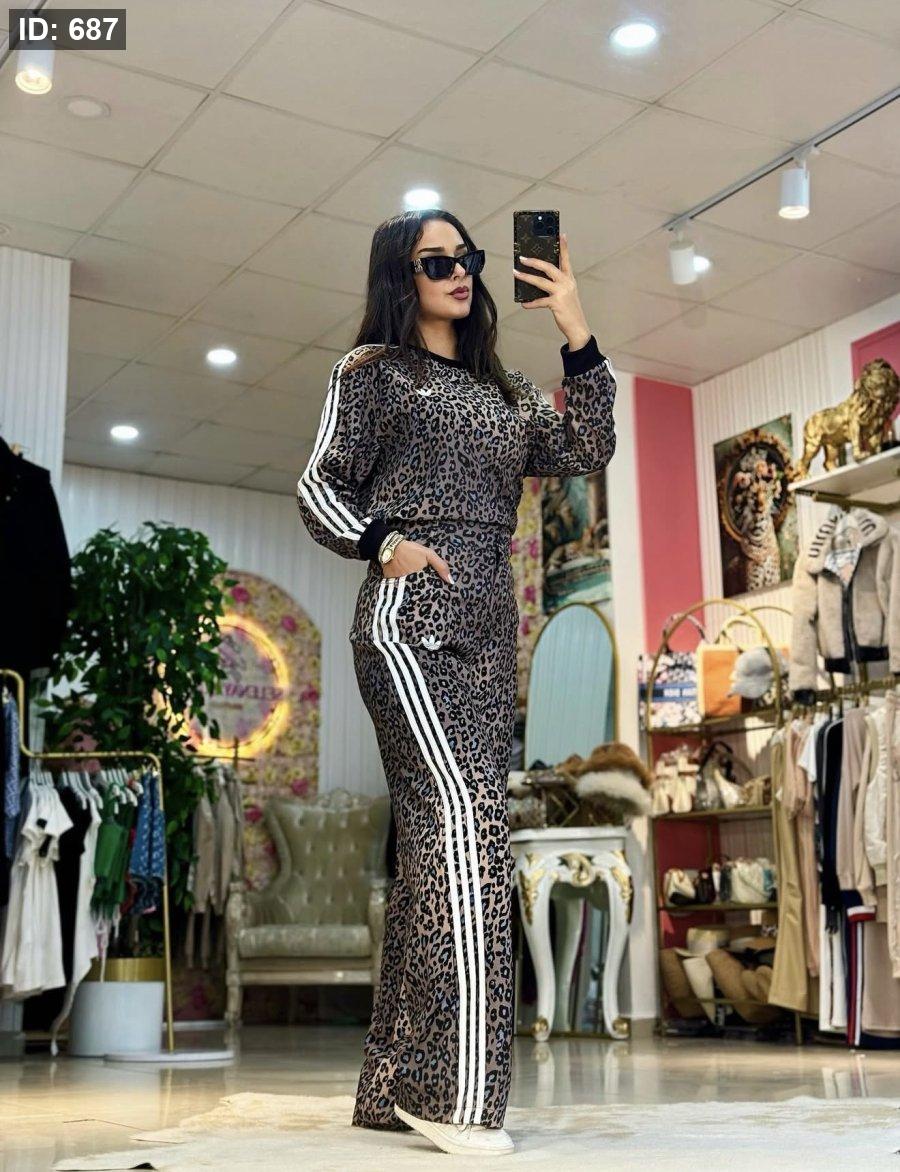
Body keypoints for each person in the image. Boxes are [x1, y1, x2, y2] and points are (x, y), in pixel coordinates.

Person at [296, 208, 616, 1157]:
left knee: (442, 846)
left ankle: (395, 1085)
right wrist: (384, 544)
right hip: (408, 626)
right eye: (436, 261)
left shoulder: (505, 390)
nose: (460, 272)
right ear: (401, 277)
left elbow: (586, 448)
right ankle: (453, 1095)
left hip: (485, 636)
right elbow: (319, 486)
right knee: (469, 835)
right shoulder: (373, 372)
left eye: (467, 257)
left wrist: (575, 324)